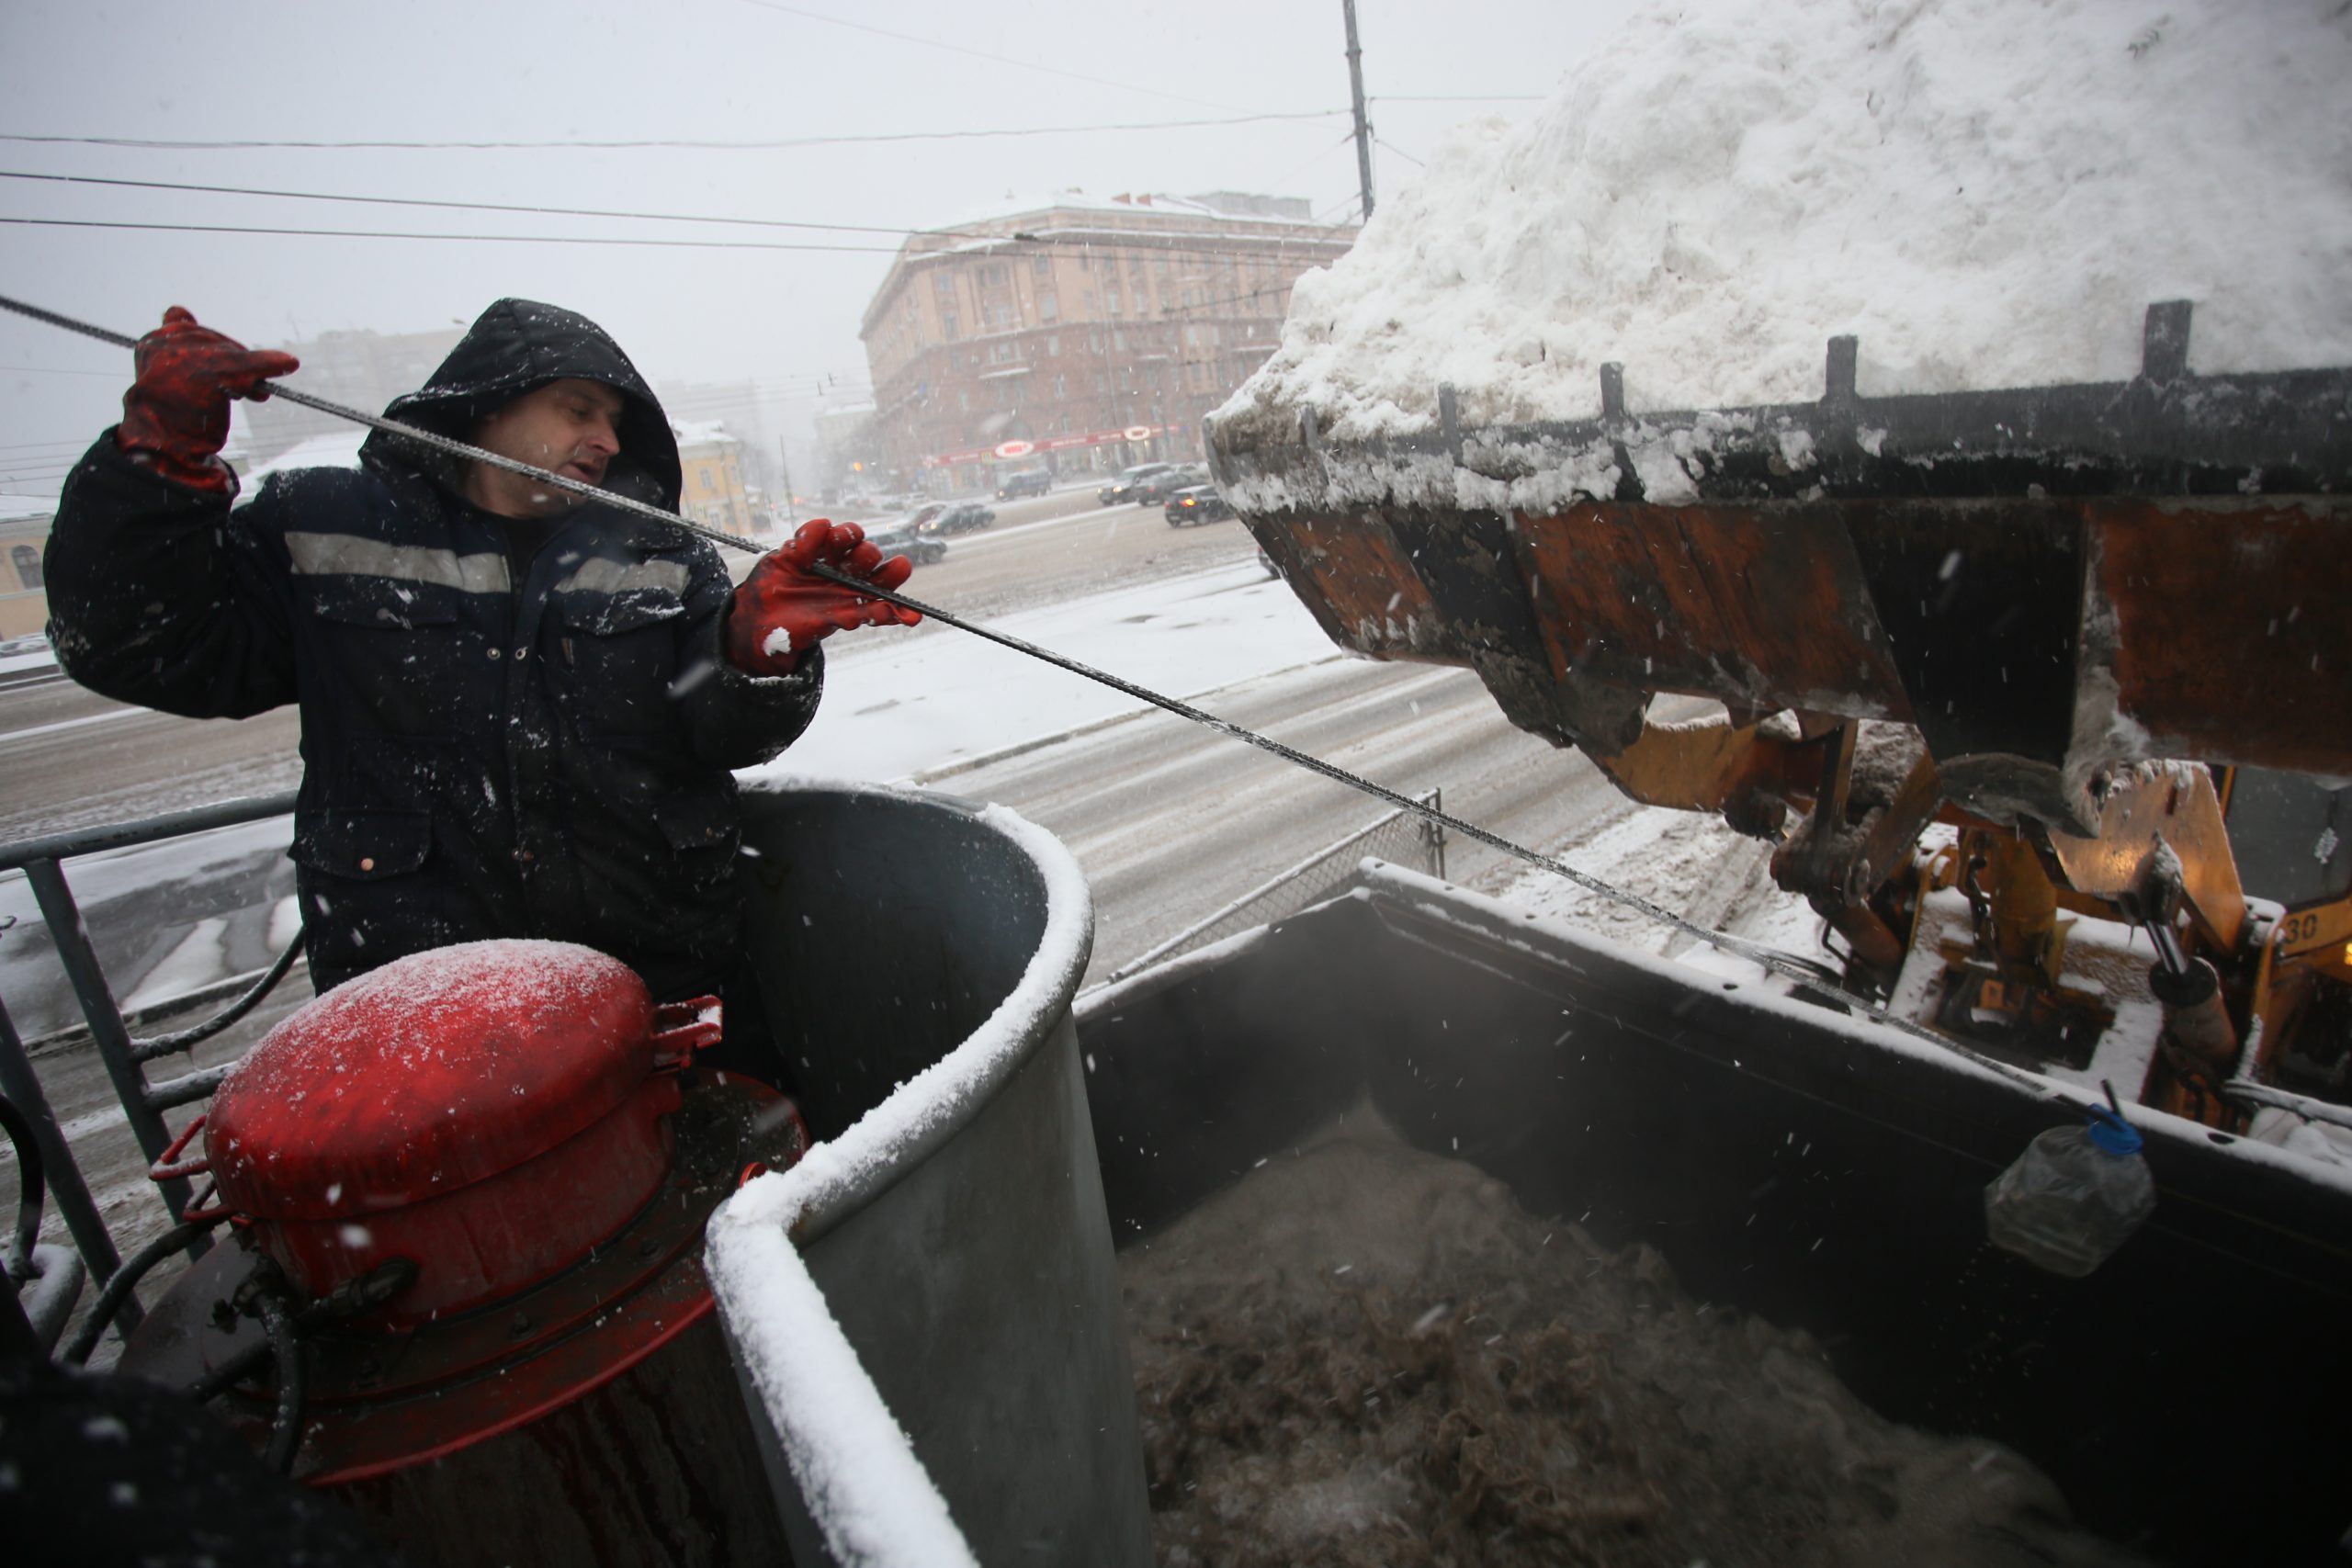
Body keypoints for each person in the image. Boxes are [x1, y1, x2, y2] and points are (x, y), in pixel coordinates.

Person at [44, 299, 916, 1080]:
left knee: (725, 1199)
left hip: (668, 983)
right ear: (488, 402)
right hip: (428, 1010)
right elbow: (137, 642)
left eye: (615, 421)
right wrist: (156, 459)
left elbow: (715, 732)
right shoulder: (325, 524)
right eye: (578, 409)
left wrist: (750, 652)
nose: (608, 440)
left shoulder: (660, 548)